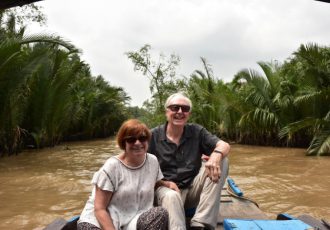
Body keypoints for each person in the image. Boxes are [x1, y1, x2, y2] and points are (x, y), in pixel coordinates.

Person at [148, 92, 230, 230]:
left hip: (191, 189)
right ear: (166, 112)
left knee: (223, 159)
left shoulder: (197, 132)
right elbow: (139, 168)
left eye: (185, 109)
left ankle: (200, 223)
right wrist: (164, 183)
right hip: (164, 191)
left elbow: (224, 145)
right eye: (175, 108)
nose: (180, 112)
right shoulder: (152, 136)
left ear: (189, 114)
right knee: (172, 196)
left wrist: (216, 155)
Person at [78, 119, 168, 230]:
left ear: (147, 141)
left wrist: (167, 184)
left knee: (160, 213)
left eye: (142, 138)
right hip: (102, 219)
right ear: (123, 143)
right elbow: (99, 209)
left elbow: (154, 181)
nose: (138, 143)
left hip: (133, 218)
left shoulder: (152, 161)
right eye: (131, 140)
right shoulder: (112, 167)